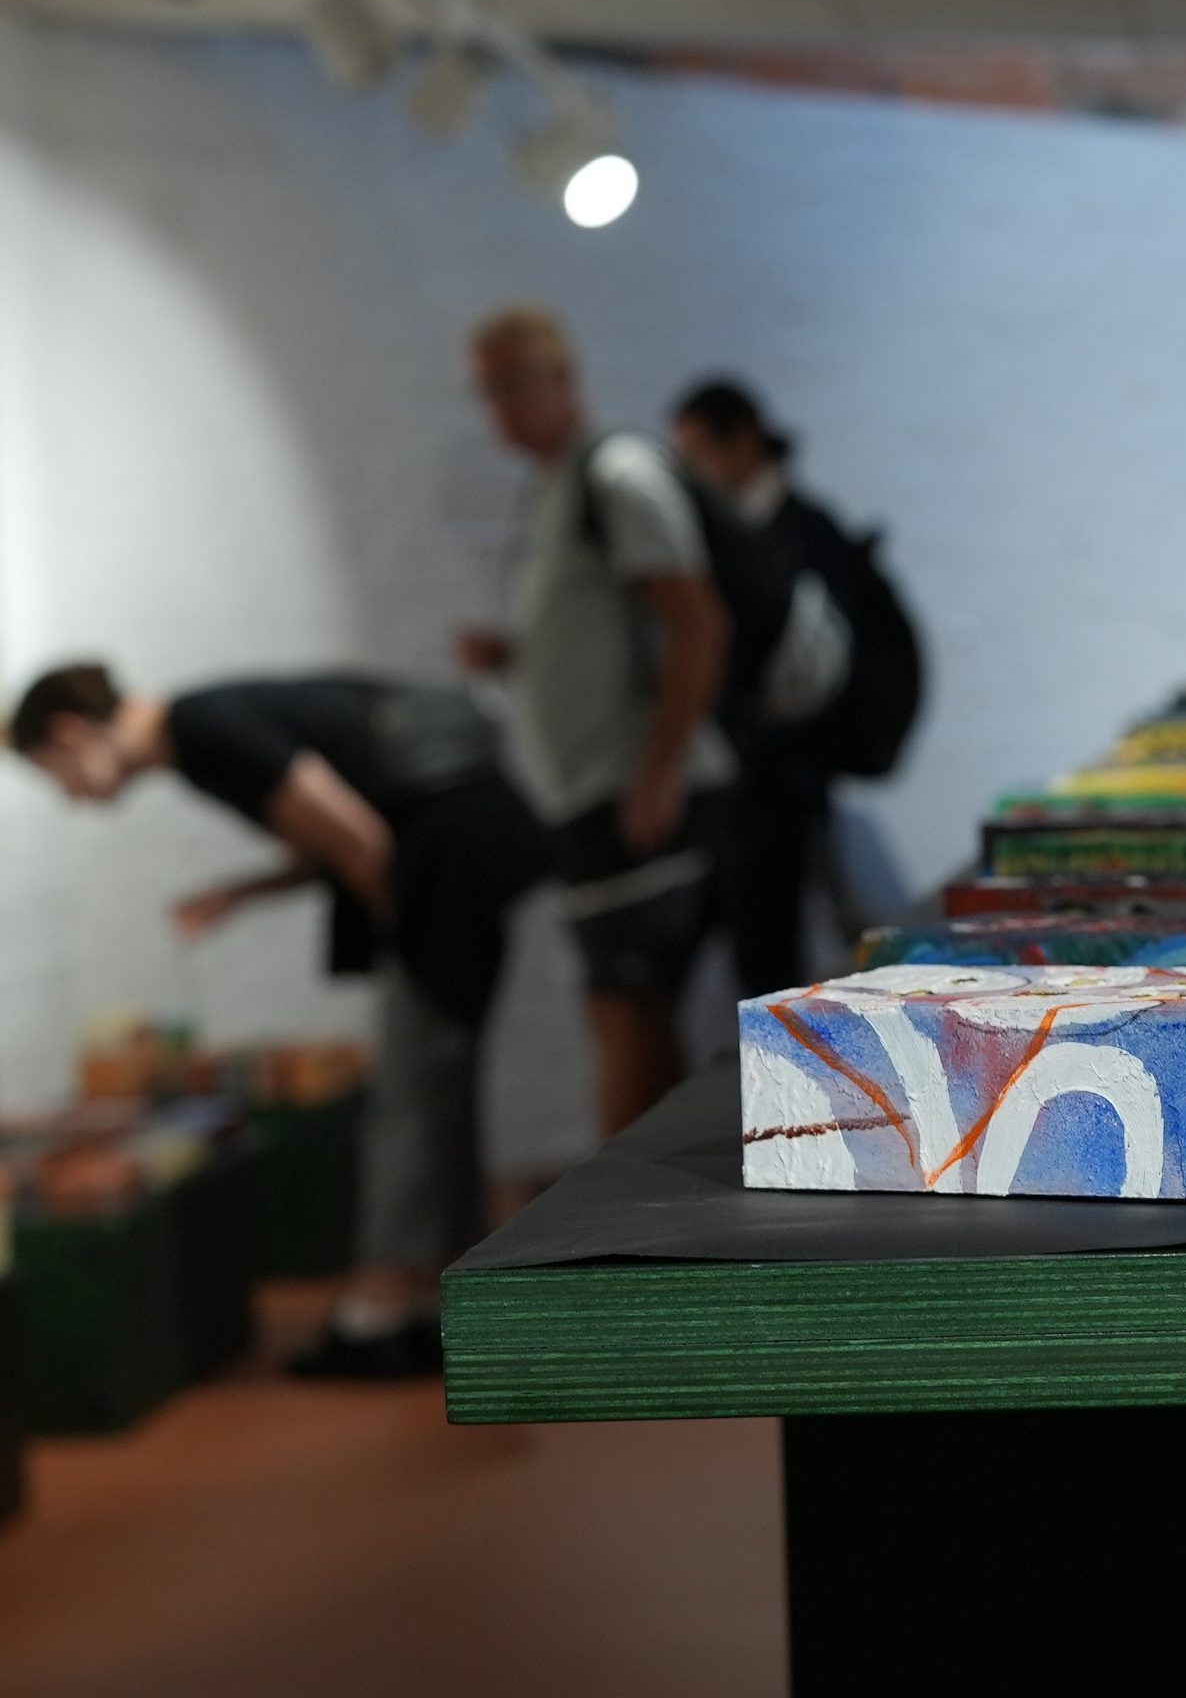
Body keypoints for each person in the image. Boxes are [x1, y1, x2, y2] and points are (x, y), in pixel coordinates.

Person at [8, 663, 548, 1377]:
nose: (73, 798)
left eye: (57, 775)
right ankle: (434, 1300)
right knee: (436, 1090)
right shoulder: (205, 722)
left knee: (412, 1095)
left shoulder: (196, 728)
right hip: (471, 843)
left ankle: (381, 1312)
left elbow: (355, 833)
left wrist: (400, 929)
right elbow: (331, 827)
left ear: (72, 733)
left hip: (444, 864)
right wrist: (240, 894)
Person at [459, 307, 735, 1134]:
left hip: (637, 791)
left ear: (564, 380)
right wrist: (516, 657)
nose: (500, 408)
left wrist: (660, 770)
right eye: (487, 391)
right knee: (623, 1010)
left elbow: (698, 621)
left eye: (514, 384)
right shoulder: (554, 490)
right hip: (590, 792)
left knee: (625, 1008)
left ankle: (620, 1238)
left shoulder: (613, 473)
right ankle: (649, 1225)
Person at [671, 377, 922, 995]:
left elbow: (812, 667)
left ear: (745, 441)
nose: (690, 472)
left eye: (698, 450)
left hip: (779, 774)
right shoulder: (757, 529)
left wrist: (759, 746)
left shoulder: (799, 532)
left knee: (772, 952)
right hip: (763, 771)